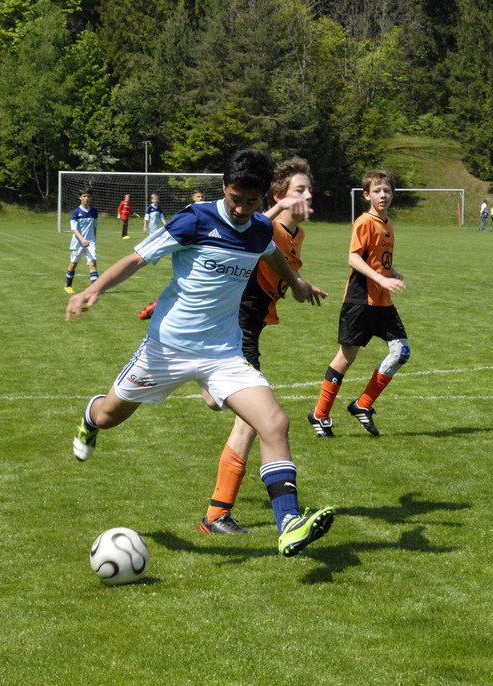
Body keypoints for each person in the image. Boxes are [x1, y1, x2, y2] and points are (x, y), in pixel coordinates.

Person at [66, 150, 334, 558]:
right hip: (166, 350)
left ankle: (288, 526)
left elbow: (271, 252)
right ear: (223, 188)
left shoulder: (260, 228)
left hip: (223, 355)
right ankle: (90, 417)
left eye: (250, 201)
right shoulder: (195, 219)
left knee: (275, 423)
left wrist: (296, 283)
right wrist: (94, 289)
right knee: (108, 417)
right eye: (234, 199)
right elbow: (137, 258)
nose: (241, 209)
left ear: (263, 197)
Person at [201, 157, 315, 535]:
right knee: (256, 421)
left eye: (308, 190)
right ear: (278, 196)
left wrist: (300, 285)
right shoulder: (268, 227)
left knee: (244, 419)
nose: (306, 196)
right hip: (236, 329)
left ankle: (217, 514)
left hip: (249, 331)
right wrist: (278, 209)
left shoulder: (295, 235)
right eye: (299, 190)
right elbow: (248, 230)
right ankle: (218, 514)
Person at [307, 169, 409, 439]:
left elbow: (375, 259)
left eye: (387, 190)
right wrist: (381, 279)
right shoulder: (365, 221)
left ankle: (362, 405)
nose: (383, 195)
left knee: (401, 351)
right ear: (366, 195)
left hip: (383, 302)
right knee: (346, 358)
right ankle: (320, 414)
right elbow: (353, 258)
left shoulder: (387, 223)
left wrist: (391, 273)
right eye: (377, 191)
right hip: (360, 300)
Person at [64, 188, 99, 294]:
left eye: (88, 196)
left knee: (93, 264)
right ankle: (68, 285)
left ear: (91, 197)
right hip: (78, 243)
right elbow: (74, 229)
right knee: (73, 264)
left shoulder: (94, 211)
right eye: (84, 196)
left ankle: (95, 289)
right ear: (80, 198)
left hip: (90, 243)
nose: (86, 198)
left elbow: (94, 227)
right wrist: (82, 239)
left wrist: (93, 240)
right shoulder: (76, 212)